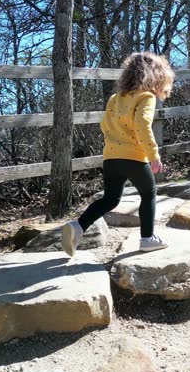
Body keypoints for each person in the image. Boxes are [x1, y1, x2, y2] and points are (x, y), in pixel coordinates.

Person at [61, 52, 173, 256]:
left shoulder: (115, 99)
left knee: (111, 199)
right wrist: (153, 154)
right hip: (134, 157)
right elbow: (142, 126)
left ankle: (78, 226)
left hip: (111, 158)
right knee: (149, 194)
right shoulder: (146, 97)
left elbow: (105, 125)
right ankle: (148, 239)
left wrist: (115, 146)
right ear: (155, 76)